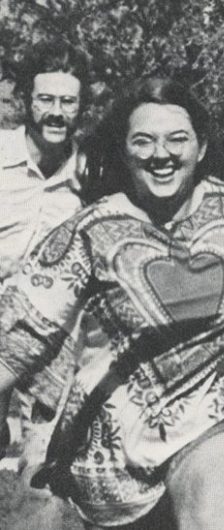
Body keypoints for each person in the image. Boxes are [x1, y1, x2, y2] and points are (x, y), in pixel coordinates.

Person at [0, 78, 224, 529]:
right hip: (114, 453)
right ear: (124, 153)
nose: (160, 154)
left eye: (176, 139)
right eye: (143, 141)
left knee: (216, 518)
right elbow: (18, 336)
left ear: (201, 147)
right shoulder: (90, 233)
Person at [0, 38, 92, 529]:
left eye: (68, 101)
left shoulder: (92, 175)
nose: (56, 113)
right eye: (46, 100)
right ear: (26, 102)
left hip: (53, 347)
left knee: (43, 474)